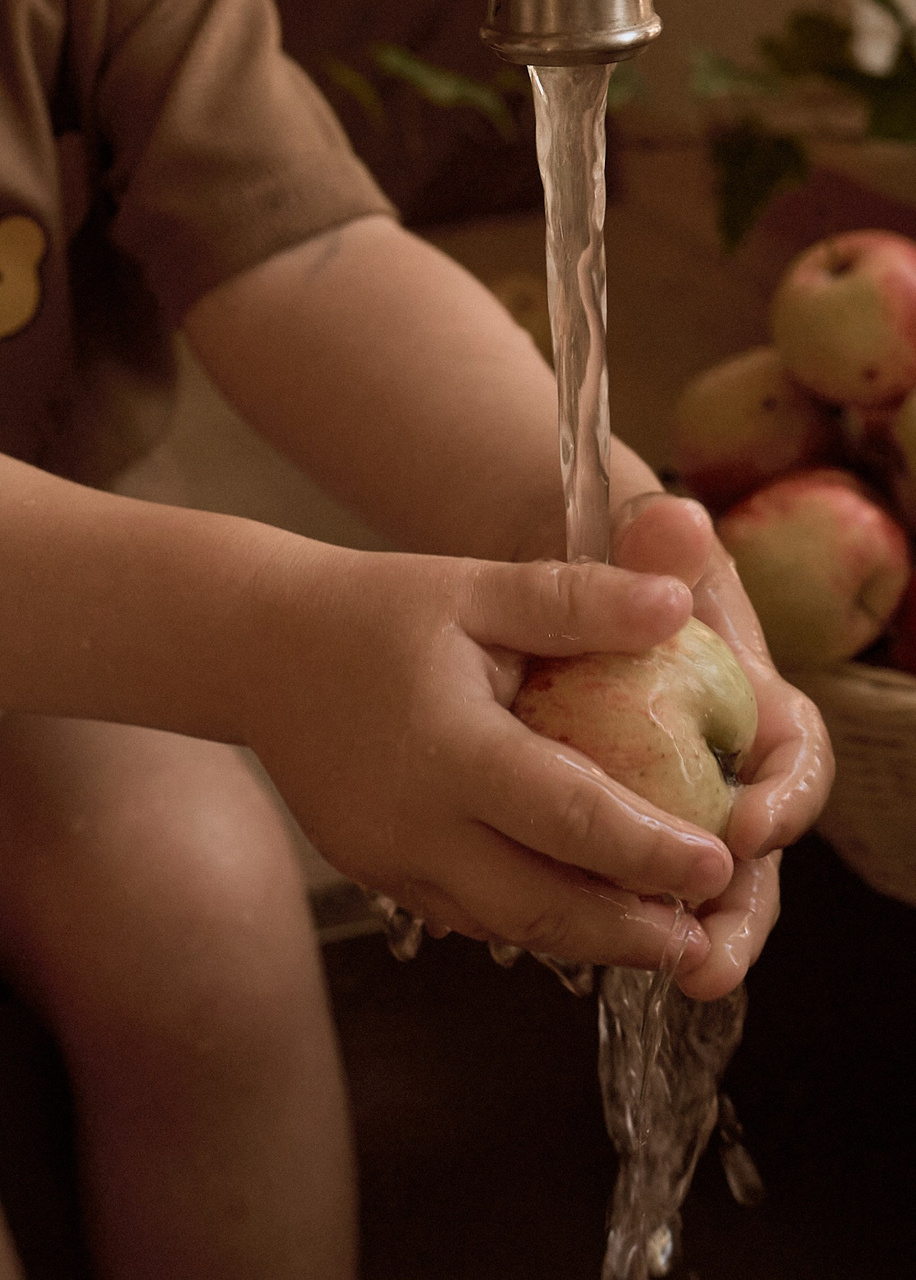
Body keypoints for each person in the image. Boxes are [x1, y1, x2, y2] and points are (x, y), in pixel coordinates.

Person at [0, 2, 829, 1277]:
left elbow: (299, 245)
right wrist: (258, 639)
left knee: (210, 923)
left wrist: (578, 514)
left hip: (55, 585)